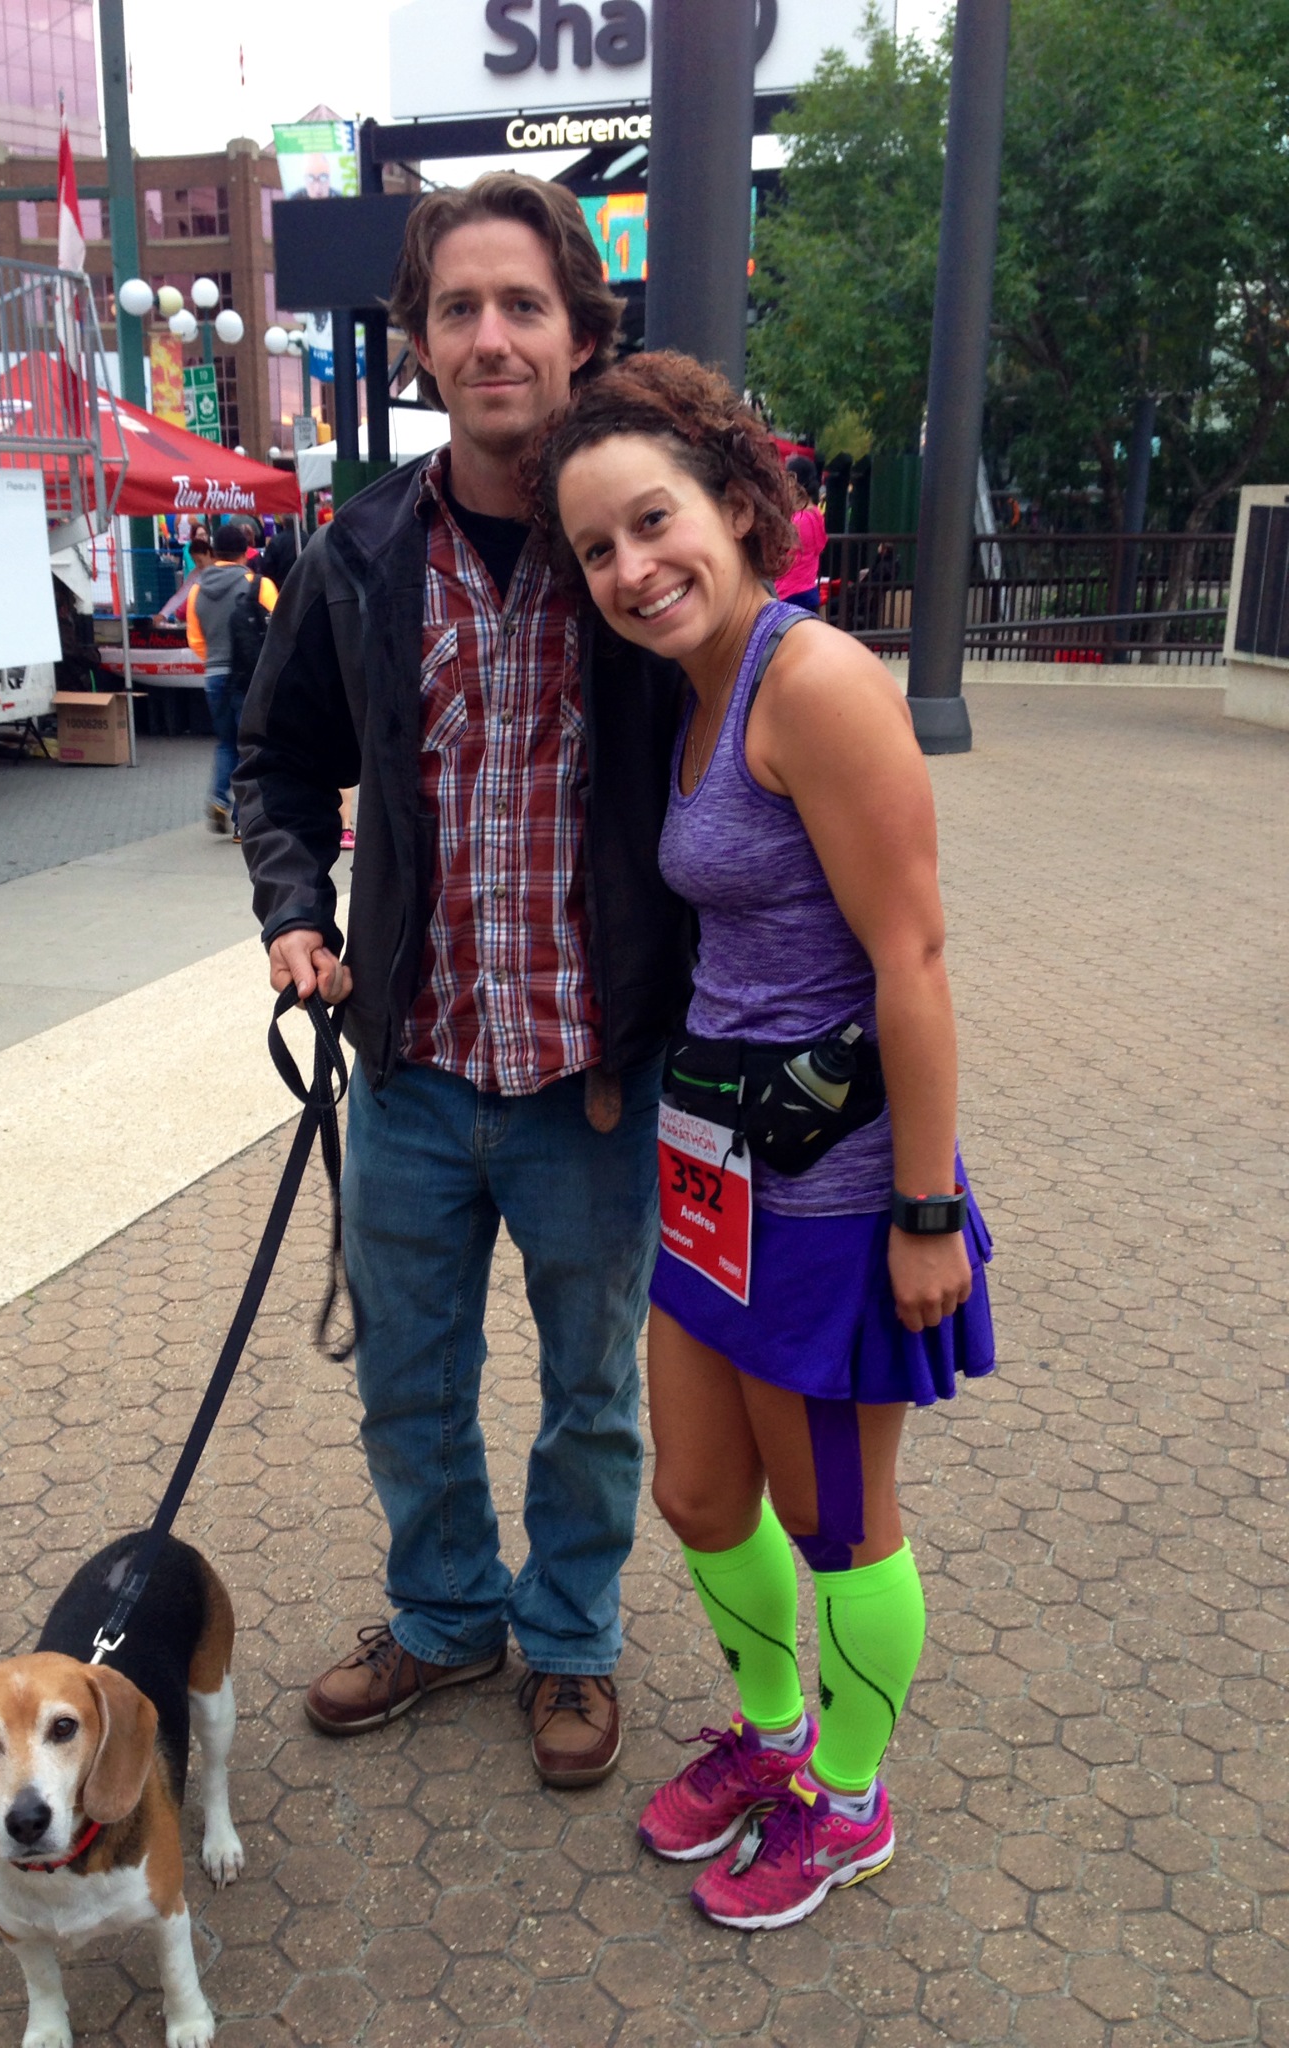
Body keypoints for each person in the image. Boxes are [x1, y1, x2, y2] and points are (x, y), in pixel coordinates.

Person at [234, 173, 691, 1788]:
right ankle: (445, 1616)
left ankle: (568, 1638)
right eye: (458, 309)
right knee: (408, 1383)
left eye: (523, 305)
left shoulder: (638, 546)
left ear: (580, 334)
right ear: (419, 344)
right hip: (414, 1069)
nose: (491, 337)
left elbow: (745, 739)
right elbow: (277, 761)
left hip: (594, 1081)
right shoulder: (359, 549)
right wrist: (297, 908)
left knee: (594, 1392)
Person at [534, 352, 994, 1925]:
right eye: (598, 548)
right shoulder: (699, 694)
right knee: (697, 1496)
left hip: (837, 1187)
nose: (630, 567)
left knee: (838, 1521)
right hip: (712, 1167)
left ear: (736, 506)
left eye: (652, 520)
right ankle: (778, 1732)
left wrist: (924, 1211)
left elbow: (913, 959)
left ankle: (850, 1802)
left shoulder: (816, 684)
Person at [185, 522, 274, 835]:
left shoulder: (197, 590)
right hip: (249, 678)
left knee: (226, 743)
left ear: (213, 552)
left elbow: (195, 639)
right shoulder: (259, 585)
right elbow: (278, 629)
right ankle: (242, 821)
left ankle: (218, 797)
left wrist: (214, 659)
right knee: (249, 747)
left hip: (214, 677)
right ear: (245, 552)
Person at [774, 453, 827, 613]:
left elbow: (778, 554)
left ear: (794, 482)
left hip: (789, 595)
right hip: (808, 590)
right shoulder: (816, 514)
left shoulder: (798, 520)